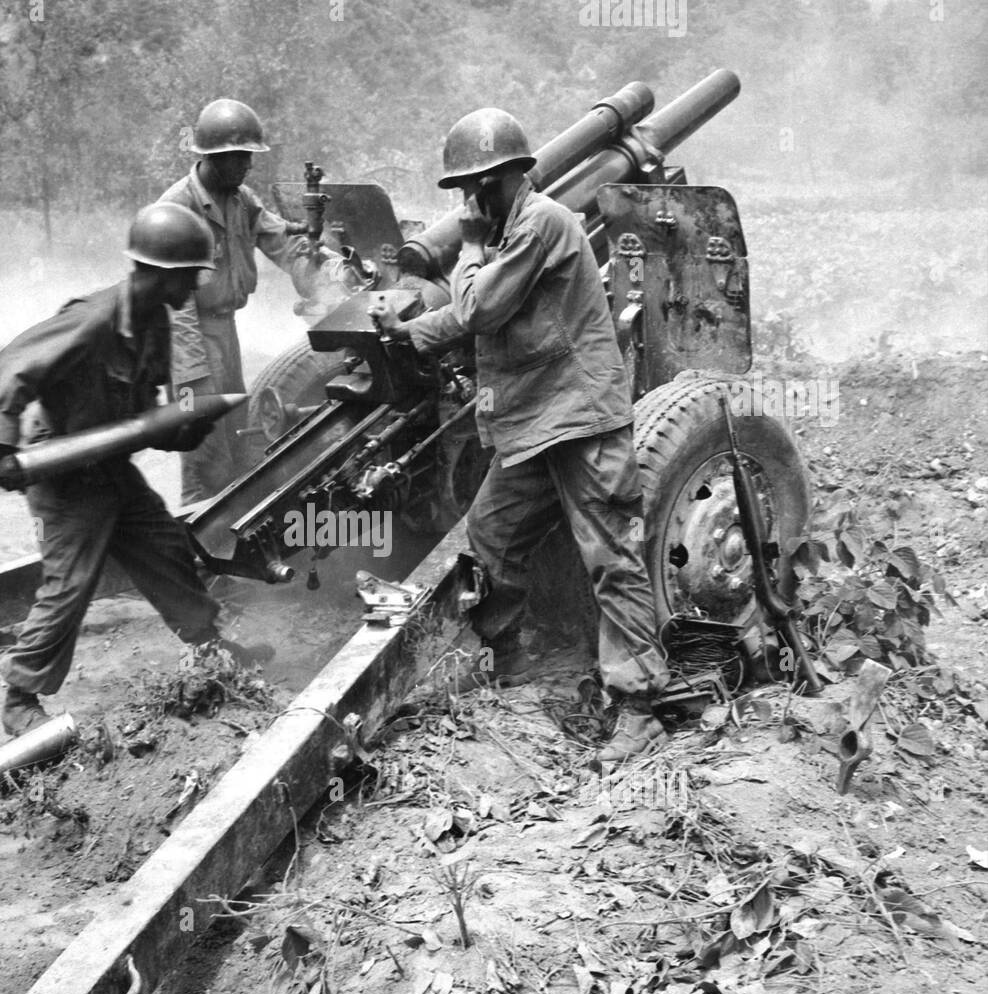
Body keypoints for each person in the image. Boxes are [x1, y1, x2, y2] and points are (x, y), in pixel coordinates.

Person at [370, 108, 670, 762]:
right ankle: (510, 657)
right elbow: (483, 316)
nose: (472, 200)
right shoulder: (509, 235)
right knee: (493, 534)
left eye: (482, 184)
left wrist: (467, 252)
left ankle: (638, 706)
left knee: (611, 557)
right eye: (466, 189)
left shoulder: (541, 225)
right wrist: (410, 332)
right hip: (536, 422)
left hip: (582, 418)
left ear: (513, 175)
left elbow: (480, 308)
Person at [0, 202, 274, 737]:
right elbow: (12, 366)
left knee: (166, 549)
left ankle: (209, 648)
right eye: (187, 277)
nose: (192, 289)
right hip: (62, 471)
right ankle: (21, 696)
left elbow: (138, 414)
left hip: (109, 466)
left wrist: (182, 429)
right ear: (159, 273)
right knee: (71, 583)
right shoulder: (93, 319)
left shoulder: (156, 323)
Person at [159, 98, 315, 505]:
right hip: (189, 341)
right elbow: (175, 307)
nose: (249, 164)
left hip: (224, 331)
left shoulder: (240, 199)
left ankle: (230, 539)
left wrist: (328, 276)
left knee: (237, 438)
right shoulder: (178, 209)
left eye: (249, 155)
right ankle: (198, 550)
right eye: (241, 156)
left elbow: (281, 241)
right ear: (215, 157)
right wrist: (195, 377)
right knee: (205, 456)